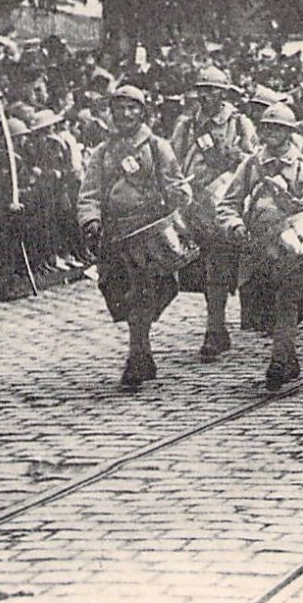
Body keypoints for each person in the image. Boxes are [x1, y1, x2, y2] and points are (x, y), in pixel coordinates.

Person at [77, 85, 193, 389]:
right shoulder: (102, 153)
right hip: (116, 236)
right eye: (120, 109)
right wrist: (91, 221)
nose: (126, 115)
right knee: (120, 293)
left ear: (142, 112)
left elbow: (176, 185)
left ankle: (137, 356)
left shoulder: (158, 147)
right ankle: (142, 351)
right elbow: (89, 193)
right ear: (112, 113)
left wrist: (177, 198)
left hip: (150, 234)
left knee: (145, 293)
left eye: (132, 108)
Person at [216, 103, 303, 391]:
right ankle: (287, 357)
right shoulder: (251, 165)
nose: (273, 133)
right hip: (258, 249)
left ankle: (278, 361)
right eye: (268, 127)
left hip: (297, 248)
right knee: (266, 308)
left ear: (291, 133)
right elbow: (228, 204)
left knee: (290, 301)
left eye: (280, 128)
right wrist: (234, 225)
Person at [170, 66, 257, 360]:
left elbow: (252, 160)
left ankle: (214, 329)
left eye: (212, 90)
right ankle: (216, 327)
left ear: (224, 92)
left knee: (218, 266)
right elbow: (174, 161)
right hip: (193, 203)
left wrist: (231, 156)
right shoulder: (187, 124)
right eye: (202, 89)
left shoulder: (239, 123)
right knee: (198, 268)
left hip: (222, 203)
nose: (206, 96)